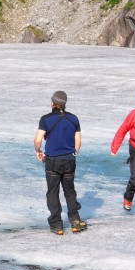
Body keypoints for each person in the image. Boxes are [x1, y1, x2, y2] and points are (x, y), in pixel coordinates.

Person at [34, 91, 85, 235]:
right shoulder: (73, 119)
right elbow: (78, 141)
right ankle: (75, 221)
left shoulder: (46, 119)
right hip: (69, 159)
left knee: (53, 192)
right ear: (64, 104)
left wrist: (38, 151)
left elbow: (38, 139)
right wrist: (74, 152)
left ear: (53, 103)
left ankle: (57, 225)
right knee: (70, 191)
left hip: (52, 161)